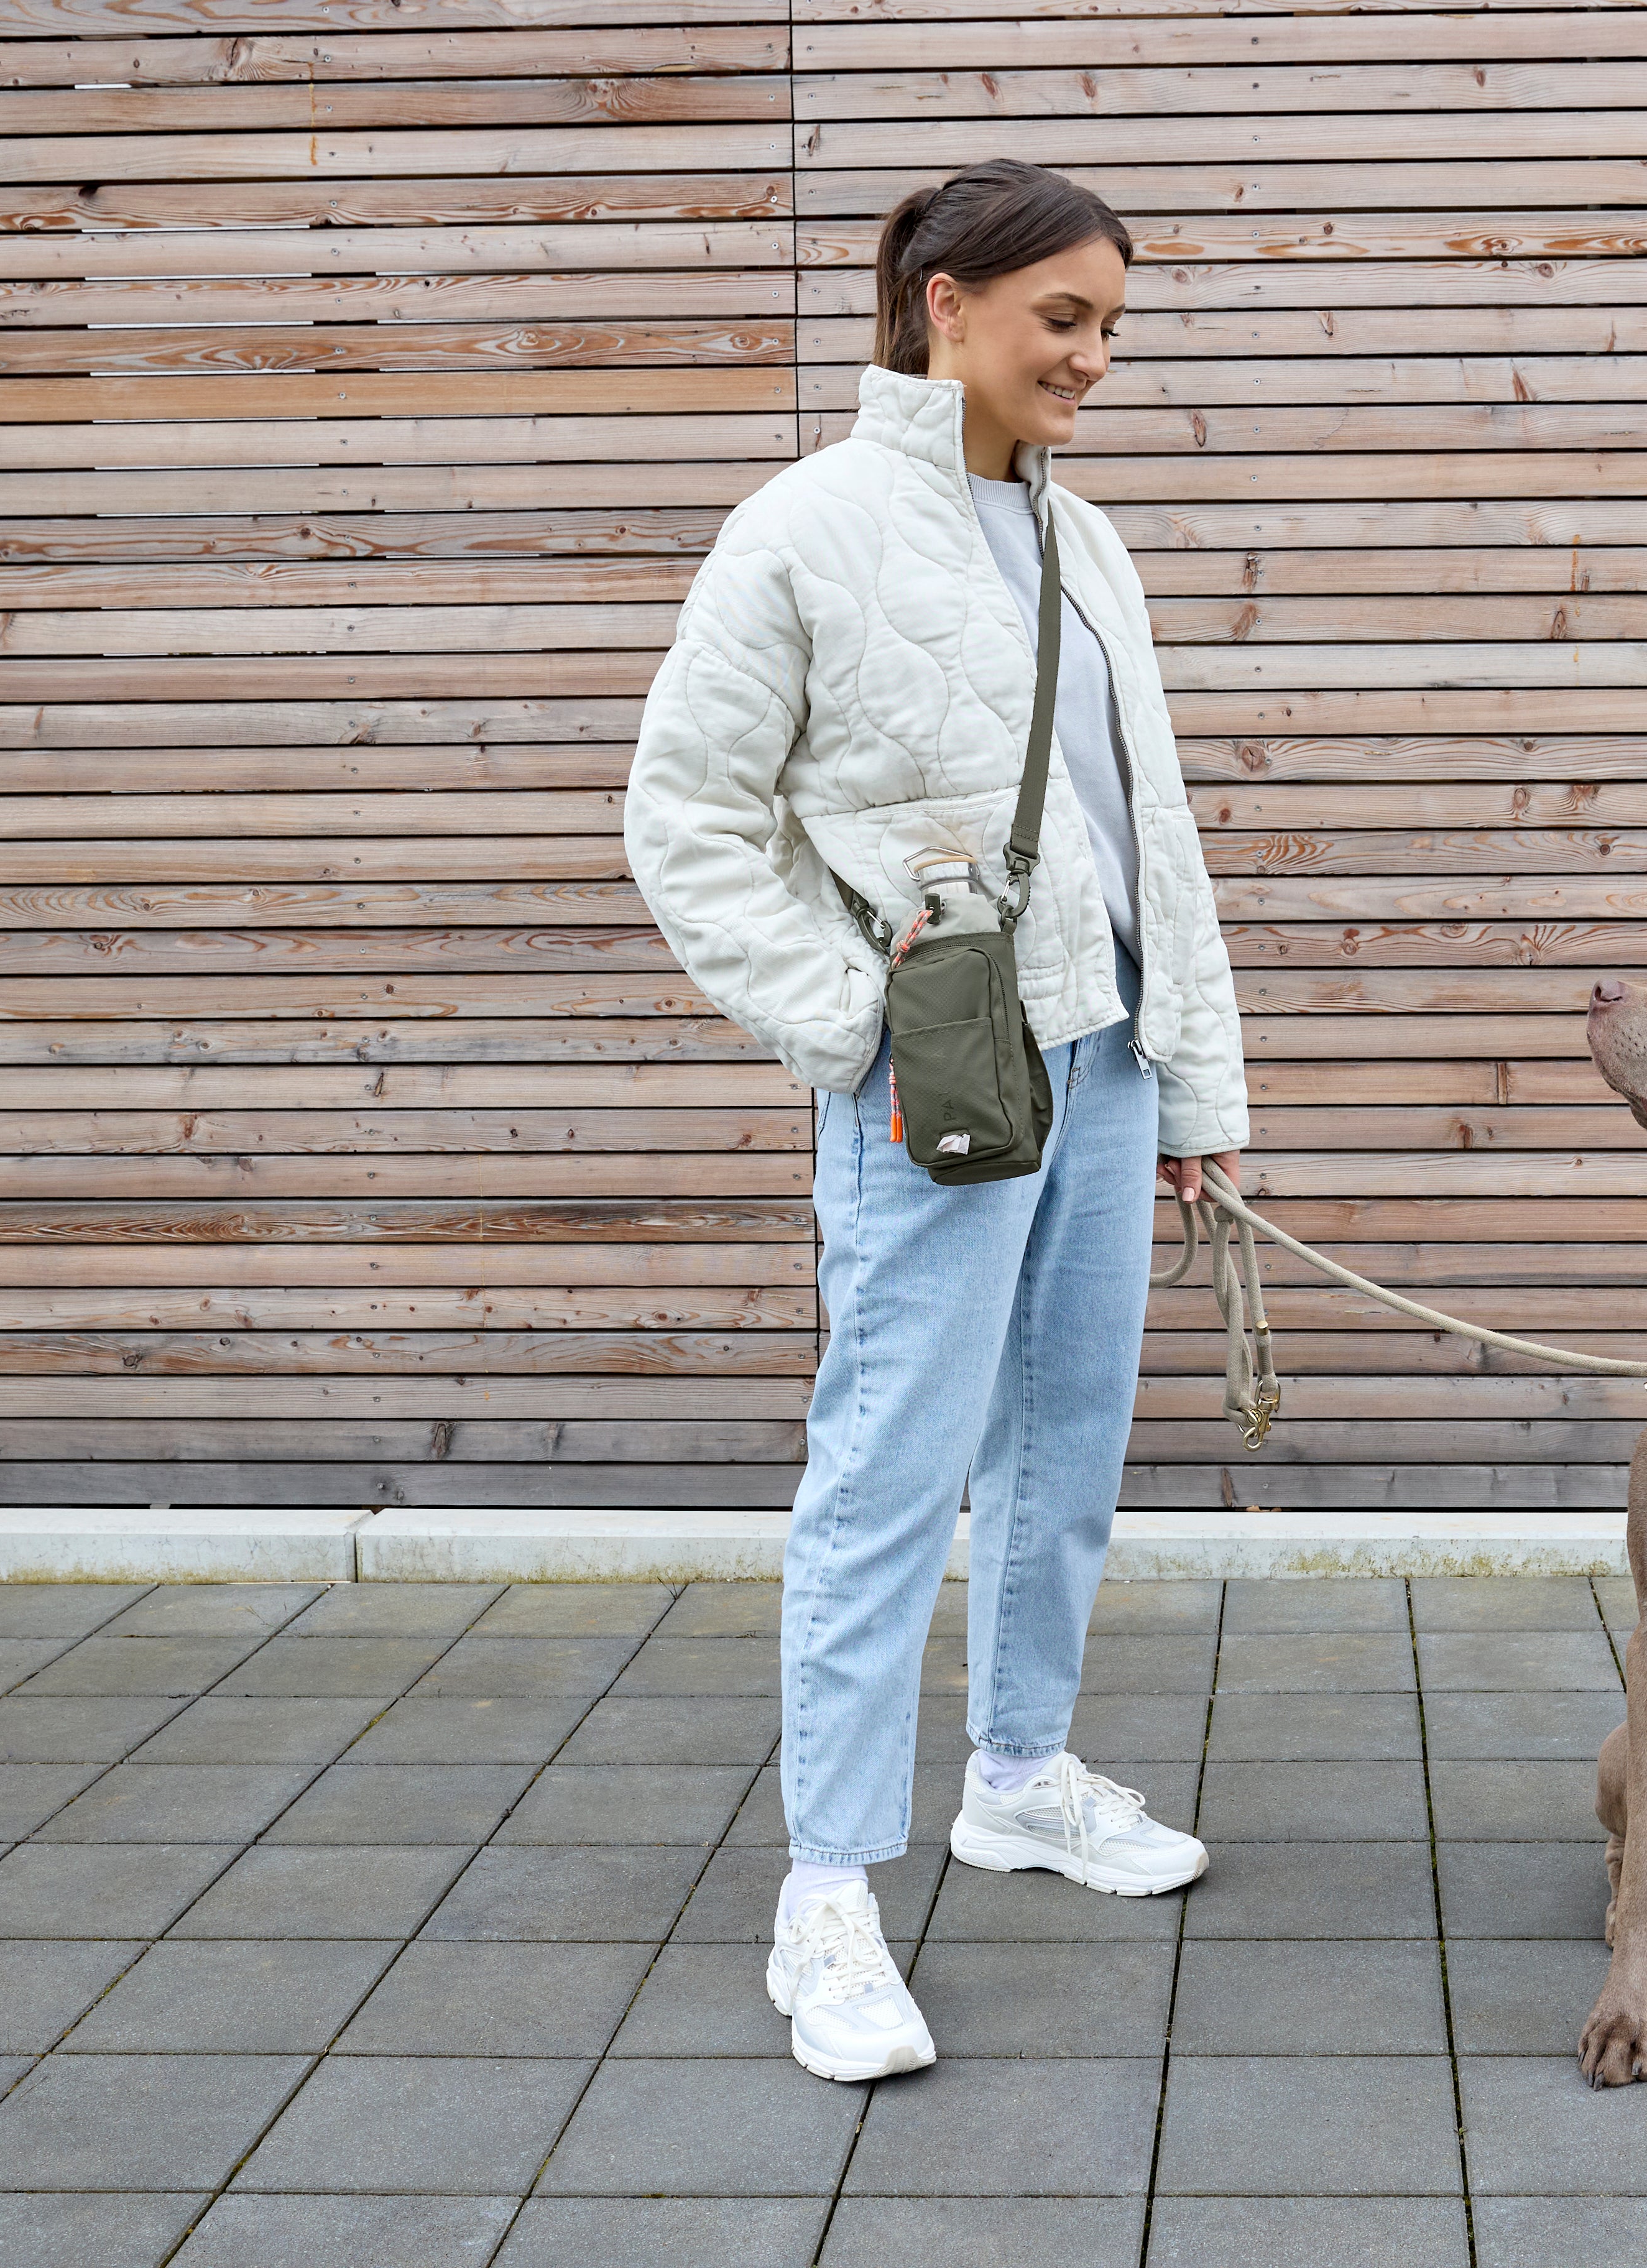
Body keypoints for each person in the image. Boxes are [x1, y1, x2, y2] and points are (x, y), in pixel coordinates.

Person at [621, 158, 1250, 2081]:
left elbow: (1156, 839)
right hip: (944, 1090)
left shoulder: (1092, 544)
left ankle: (1020, 1776)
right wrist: (847, 1031)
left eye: (1112, 328)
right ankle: (827, 1895)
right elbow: (685, 819)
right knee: (890, 1474)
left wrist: (1194, 1088)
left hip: (1106, 1054)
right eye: (1067, 320)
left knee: (1068, 1451)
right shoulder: (802, 530)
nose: (1095, 360)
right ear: (945, 307)